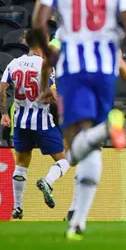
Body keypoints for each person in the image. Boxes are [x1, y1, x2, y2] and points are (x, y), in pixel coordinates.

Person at [31, 0, 126, 240]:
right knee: (91, 145)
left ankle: (107, 128)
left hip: (72, 67)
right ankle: (77, 221)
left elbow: (38, 23)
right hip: (104, 69)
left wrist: (51, 55)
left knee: (75, 143)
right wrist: (110, 46)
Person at [46, 37, 126, 222]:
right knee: (85, 154)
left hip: (71, 94)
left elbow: (49, 56)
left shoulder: (65, 32)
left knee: (74, 154)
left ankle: (73, 210)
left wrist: (47, 85)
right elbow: (121, 64)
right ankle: (106, 128)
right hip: (99, 94)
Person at [0, 30, 70, 220]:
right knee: (65, 160)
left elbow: (2, 87)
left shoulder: (14, 63)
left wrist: (4, 113)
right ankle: (47, 181)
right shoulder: (45, 66)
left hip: (21, 123)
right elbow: (53, 93)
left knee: (21, 166)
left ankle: (17, 208)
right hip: (42, 122)